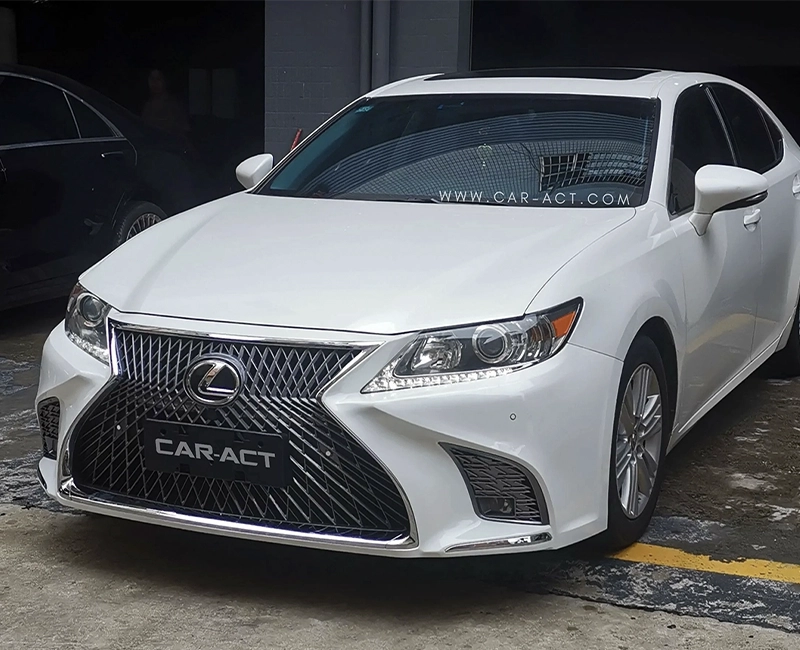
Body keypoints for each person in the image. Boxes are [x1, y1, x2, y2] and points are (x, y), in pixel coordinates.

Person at [141, 69, 190, 144]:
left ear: (165, 81)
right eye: (152, 79)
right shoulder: (147, 106)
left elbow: (184, 132)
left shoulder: (174, 105)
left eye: (158, 79)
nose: (155, 83)